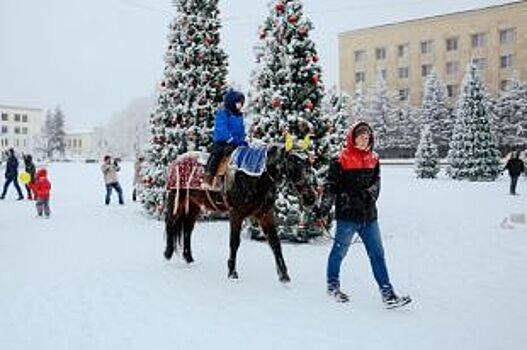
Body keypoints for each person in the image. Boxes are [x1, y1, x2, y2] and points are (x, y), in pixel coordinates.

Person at [317, 121, 411, 308]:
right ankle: (332, 285)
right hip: (347, 217)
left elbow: (376, 184)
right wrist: (324, 209)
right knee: (339, 252)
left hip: (369, 217)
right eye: (361, 135)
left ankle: (388, 293)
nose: (365, 138)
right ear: (353, 138)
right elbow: (330, 187)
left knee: (377, 254)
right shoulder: (340, 160)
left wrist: (368, 195)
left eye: (367, 135)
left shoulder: (374, 159)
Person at [204, 89, 247, 185]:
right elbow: (221, 128)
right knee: (217, 154)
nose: (240, 105)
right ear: (232, 102)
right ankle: (209, 176)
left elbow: (241, 130)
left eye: (241, 103)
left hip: (235, 143)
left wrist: (242, 140)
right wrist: (230, 139)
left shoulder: (239, 116)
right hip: (222, 141)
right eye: (238, 103)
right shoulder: (223, 113)